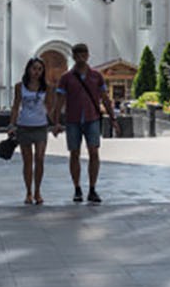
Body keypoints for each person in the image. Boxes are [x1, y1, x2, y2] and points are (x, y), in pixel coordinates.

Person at [50, 44, 119, 204]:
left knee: (94, 152)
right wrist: (56, 122)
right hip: (73, 120)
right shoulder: (66, 78)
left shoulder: (96, 76)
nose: (81, 57)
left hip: (91, 118)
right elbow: (59, 101)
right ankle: (77, 188)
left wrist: (113, 118)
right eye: (78, 54)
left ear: (88, 55)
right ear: (73, 56)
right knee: (74, 153)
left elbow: (105, 98)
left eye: (84, 54)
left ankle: (92, 188)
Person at [8, 58, 52, 205]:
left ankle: (37, 190)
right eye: (34, 69)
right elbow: (16, 106)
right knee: (27, 161)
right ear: (28, 69)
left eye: (40, 69)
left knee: (39, 158)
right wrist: (12, 125)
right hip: (24, 126)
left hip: (40, 126)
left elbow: (49, 106)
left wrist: (55, 122)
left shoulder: (46, 87)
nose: (36, 72)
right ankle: (28, 192)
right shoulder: (20, 87)